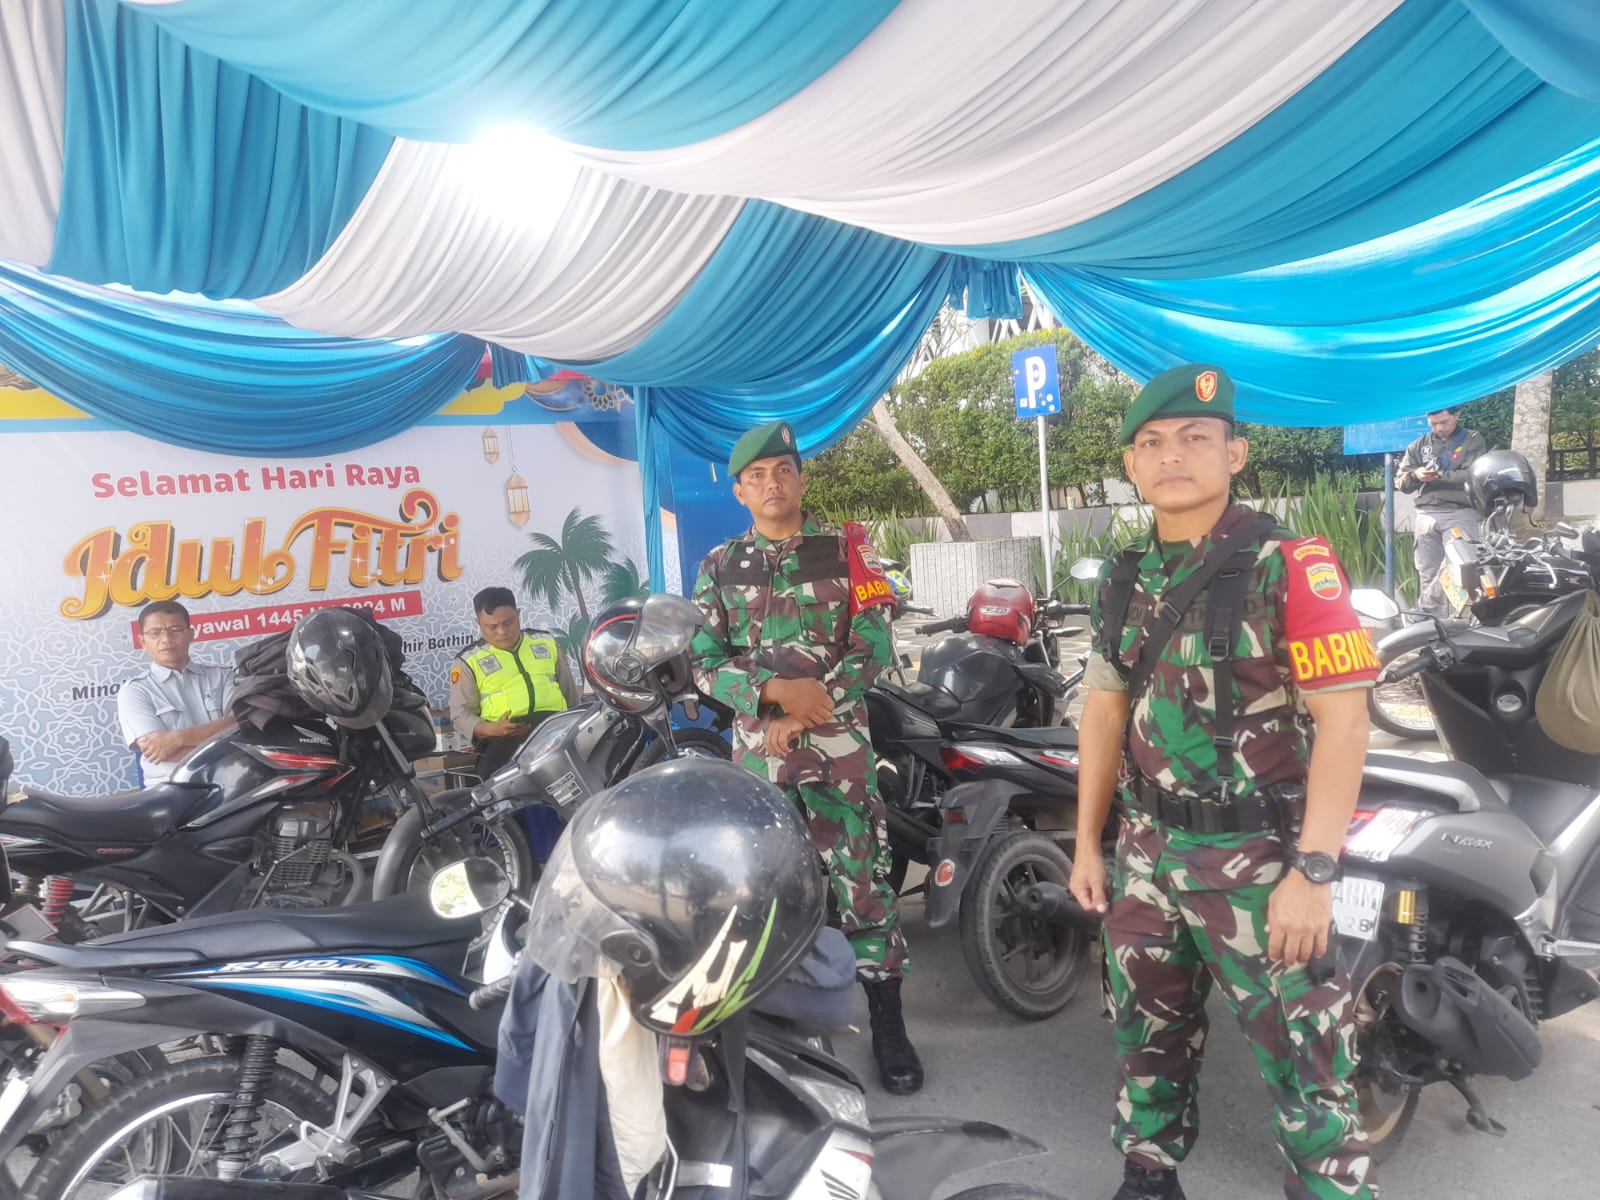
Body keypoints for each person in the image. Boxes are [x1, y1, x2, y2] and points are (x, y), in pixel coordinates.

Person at [1068, 365, 1378, 1200]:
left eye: (1195, 438)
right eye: (1152, 443)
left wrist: (1314, 873)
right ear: (1132, 465)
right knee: (1145, 1031)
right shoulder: (1125, 576)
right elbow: (1103, 712)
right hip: (1145, 852)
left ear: (1234, 454)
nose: (1172, 455)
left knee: (1306, 1059)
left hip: (1259, 862)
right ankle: (1148, 1174)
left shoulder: (1292, 565)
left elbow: (1346, 725)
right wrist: (1088, 844)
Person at [689, 419, 923, 1095]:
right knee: (760, 889)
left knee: (863, 885)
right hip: (759, 760)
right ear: (739, 491)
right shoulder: (718, 566)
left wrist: (803, 711)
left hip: (838, 753)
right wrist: (770, 693)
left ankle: (888, 1024)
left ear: (801, 479)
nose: (772, 484)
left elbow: (874, 646)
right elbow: (703, 661)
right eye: (756, 476)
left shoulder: (848, 551)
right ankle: (768, 1028)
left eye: (783, 471)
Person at [449, 586, 580, 779]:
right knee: (492, 783)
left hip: (555, 729)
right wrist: (494, 729)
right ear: (478, 623)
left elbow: (569, 694)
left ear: (518, 614)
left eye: (508, 623)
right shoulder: (468, 660)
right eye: (492, 627)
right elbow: (460, 717)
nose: (502, 632)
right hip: (504, 739)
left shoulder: (546, 642)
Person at [117, 600, 236, 784]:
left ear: (191, 634)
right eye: (155, 633)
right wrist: (225, 739)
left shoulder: (223, 676)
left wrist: (177, 739)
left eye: (175, 629)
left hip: (231, 783)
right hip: (170, 789)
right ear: (142, 641)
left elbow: (238, 725)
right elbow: (158, 751)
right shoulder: (135, 691)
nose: (166, 639)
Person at [1396, 406, 1489, 615]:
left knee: (1459, 566)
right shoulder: (1418, 445)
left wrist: (1440, 476)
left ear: (1457, 415)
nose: (1439, 428)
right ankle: (1431, 620)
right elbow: (1401, 482)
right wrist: (1416, 476)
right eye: (1433, 423)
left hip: (1459, 511)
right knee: (1426, 570)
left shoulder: (1472, 440)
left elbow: (1474, 474)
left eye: (1444, 422)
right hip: (1426, 512)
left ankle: (1434, 613)